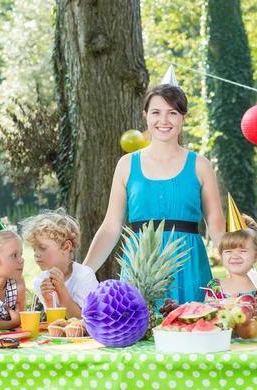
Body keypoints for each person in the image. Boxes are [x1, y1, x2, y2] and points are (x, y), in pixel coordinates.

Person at [82, 82, 225, 303]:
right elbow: (111, 227)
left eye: (173, 113)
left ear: (183, 118)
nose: (164, 120)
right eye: (156, 112)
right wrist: (83, 273)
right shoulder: (127, 164)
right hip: (140, 267)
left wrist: (240, 266)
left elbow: (216, 226)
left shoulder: (200, 165)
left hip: (188, 265)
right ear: (145, 116)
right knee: (139, 332)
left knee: (192, 329)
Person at [23, 209, 98, 319]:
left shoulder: (84, 276)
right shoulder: (40, 281)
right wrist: (49, 302)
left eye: (42, 248)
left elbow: (82, 321)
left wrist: (61, 289)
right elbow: (57, 322)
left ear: (66, 247)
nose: (36, 254)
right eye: (34, 249)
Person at [205, 213, 257, 300]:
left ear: (256, 255)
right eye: (228, 251)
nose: (235, 256)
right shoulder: (215, 289)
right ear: (221, 254)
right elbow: (208, 312)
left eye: (242, 251)